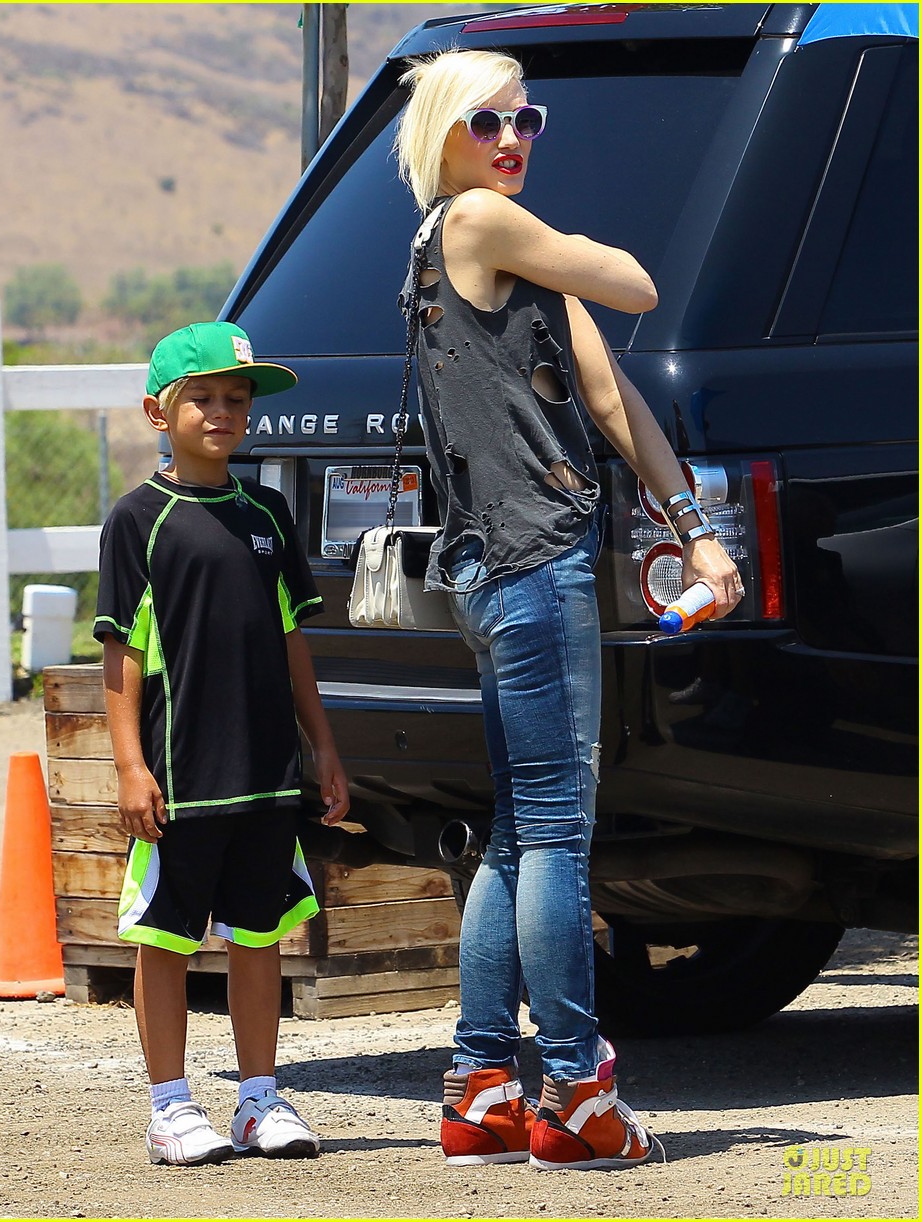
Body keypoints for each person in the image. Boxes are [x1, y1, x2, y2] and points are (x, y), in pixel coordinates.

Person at [394, 49, 743, 1172]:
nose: (512, 139)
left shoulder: (482, 245)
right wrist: (571, 247)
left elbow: (607, 392)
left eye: (527, 119)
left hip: (499, 572)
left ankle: (481, 1088)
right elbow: (636, 285)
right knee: (554, 832)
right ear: (444, 132)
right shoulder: (480, 223)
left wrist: (695, 529)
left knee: (516, 831)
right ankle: (578, 1090)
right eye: (487, 121)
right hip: (535, 568)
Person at [94, 321, 350, 1166]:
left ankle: (258, 1100)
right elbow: (122, 653)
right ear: (157, 413)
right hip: (180, 777)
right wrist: (130, 765)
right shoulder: (137, 520)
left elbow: (291, 641)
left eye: (236, 398)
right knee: (165, 941)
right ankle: (170, 1107)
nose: (221, 412)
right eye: (200, 397)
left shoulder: (267, 513)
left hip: (267, 776)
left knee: (259, 934)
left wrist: (322, 747)